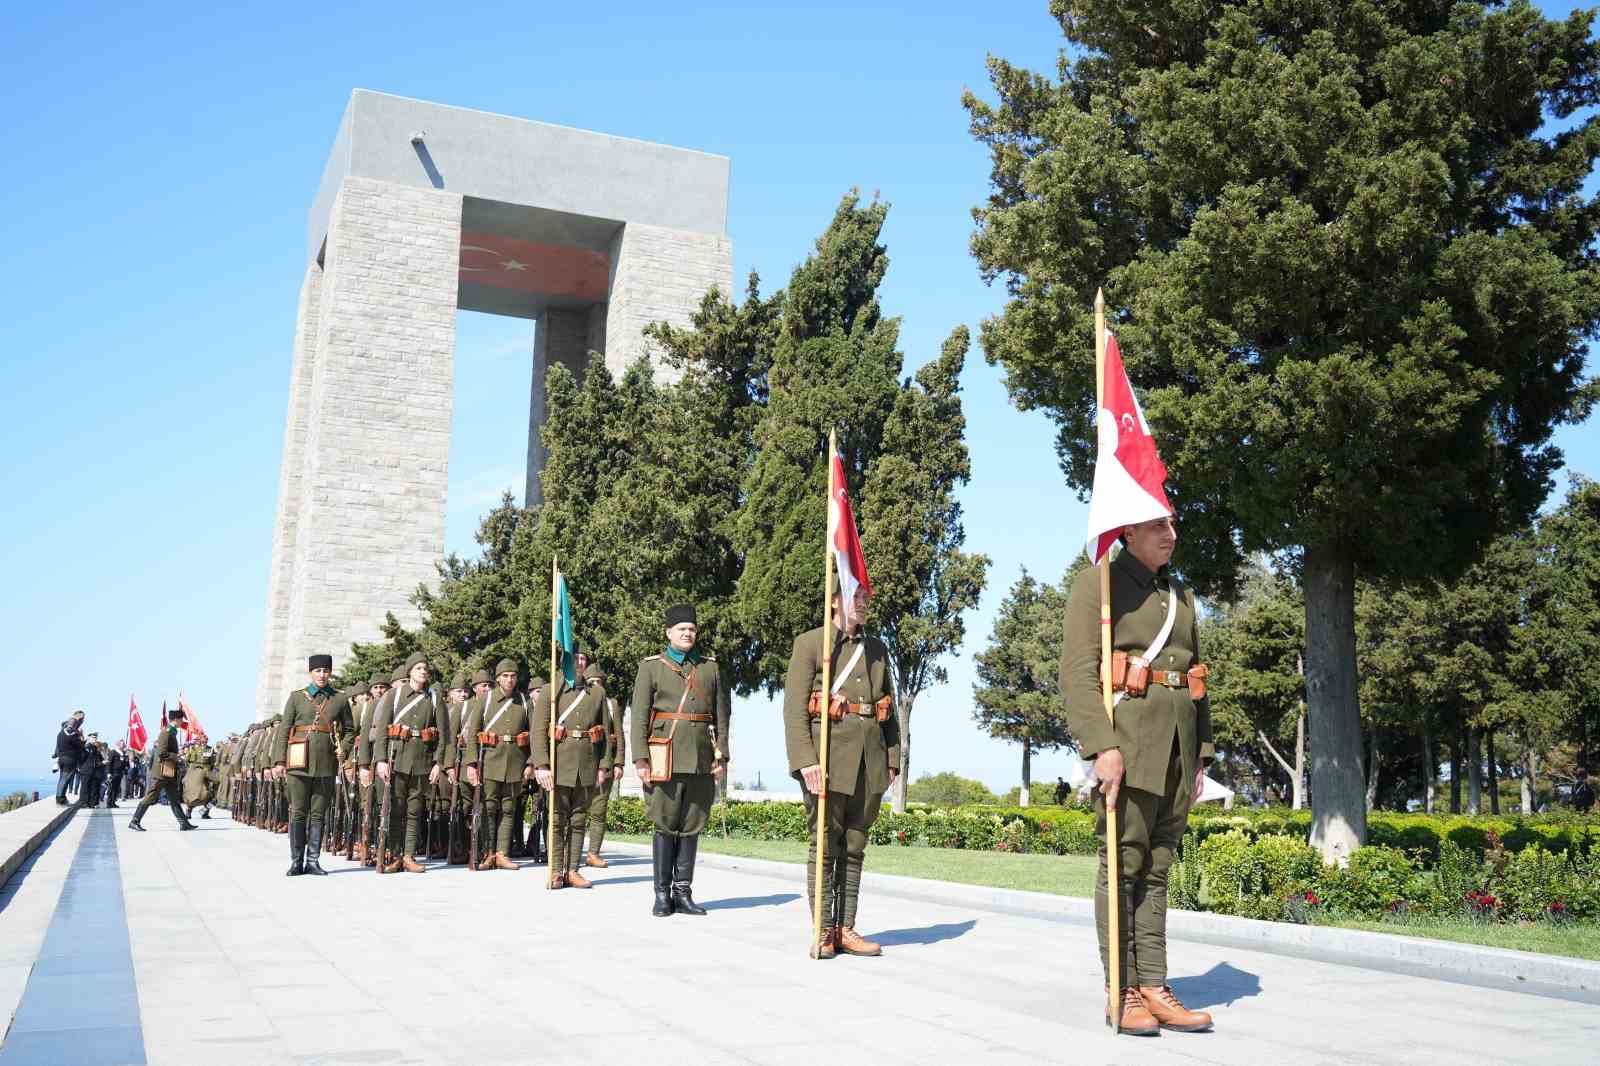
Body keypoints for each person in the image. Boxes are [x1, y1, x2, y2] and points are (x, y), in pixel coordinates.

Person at [1062, 515, 1215, 1036]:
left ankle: (1154, 984)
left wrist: (1202, 755)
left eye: (1174, 524)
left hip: (1177, 751)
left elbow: (1197, 679)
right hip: (1127, 747)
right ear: (1127, 532)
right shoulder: (1098, 585)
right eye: (1157, 526)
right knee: (1123, 866)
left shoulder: (1183, 595)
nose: (1171, 533)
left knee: (1158, 870)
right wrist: (1101, 745)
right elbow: (1078, 675)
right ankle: (1121, 991)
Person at [783, 585, 899, 959]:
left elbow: (888, 707)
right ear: (834, 599)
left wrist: (893, 758)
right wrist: (806, 760)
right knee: (824, 842)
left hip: (871, 759)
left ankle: (845, 928)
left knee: (854, 844)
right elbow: (795, 710)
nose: (863, 604)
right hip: (827, 760)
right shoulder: (811, 643)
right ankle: (821, 932)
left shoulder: (877, 649)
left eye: (867, 598)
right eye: (855, 596)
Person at [630, 604, 730, 916]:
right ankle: (661, 894)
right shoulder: (651, 668)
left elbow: (723, 716)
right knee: (665, 824)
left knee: (691, 825)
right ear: (668, 633)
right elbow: (639, 717)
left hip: (701, 757)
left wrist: (721, 755)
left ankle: (683, 892)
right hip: (664, 756)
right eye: (681, 629)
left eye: (692, 629)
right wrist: (640, 758)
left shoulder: (709, 668)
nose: (687, 633)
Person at [272, 654, 363, 876]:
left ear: (330, 673)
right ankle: (296, 861)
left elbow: (350, 730)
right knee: (298, 813)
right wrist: (279, 761)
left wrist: (344, 748)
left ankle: (313, 861)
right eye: (318, 671)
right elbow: (284, 729)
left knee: (318, 814)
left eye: (326, 670)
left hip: (325, 762)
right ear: (310, 673)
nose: (322, 674)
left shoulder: (339, 699)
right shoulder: (296, 698)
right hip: (298, 762)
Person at [360, 651, 444, 873]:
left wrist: (438, 763)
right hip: (395, 759)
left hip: (422, 761)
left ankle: (408, 855)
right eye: (418, 668)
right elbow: (381, 734)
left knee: (415, 810)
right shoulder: (394, 696)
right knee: (395, 809)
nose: (423, 672)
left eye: (425, 668)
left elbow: (443, 736)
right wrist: (379, 760)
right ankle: (394, 854)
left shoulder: (435, 698)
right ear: (410, 672)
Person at [534, 662, 611, 888]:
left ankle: (573, 870)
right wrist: (542, 764)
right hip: (558, 764)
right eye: (574, 656)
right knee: (556, 819)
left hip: (586, 763)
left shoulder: (597, 693)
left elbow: (604, 732)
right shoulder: (551, 690)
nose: (579, 662)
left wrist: (603, 765)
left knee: (578, 820)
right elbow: (539, 730)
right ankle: (556, 871)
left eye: (582, 658)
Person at [463, 659, 532, 872]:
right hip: (490, 760)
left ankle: (502, 853)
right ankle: (488, 852)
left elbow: (534, 734)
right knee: (489, 807)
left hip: (515, 761)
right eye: (505, 676)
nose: (509, 680)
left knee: (509, 808)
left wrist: (530, 763)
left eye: (513, 676)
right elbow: (473, 732)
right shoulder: (486, 699)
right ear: (498, 678)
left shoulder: (524, 700)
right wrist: (471, 764)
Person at [129, 707, 196, 831]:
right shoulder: (166, 732)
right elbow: (161, 753)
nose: (183, 722)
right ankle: (135, 821)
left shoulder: (172, 732)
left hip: (169, 771)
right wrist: (178, 756)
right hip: (161, 772)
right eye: (182, 720)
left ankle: (184, 823)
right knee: (151, 796)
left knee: (174, 798)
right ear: (176, 719)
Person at [585, 662, 624, 869]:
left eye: (599, 682)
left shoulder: (611, 704)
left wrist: (619, 763)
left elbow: (619, 734)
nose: (596, 686)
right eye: (591, 682)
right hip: (582, 762)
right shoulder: (580, 701)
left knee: (599, 811)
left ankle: (593, 853)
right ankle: (569, 853)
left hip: (606, 762)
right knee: (577, 811)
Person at [54, 711, 86, 805]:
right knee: (66, 779)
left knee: (62, 778)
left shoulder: (60, 734)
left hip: (62, 758)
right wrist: (82, 739)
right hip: (70, 759)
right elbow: (80, 745)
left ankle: (60, 796)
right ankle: (60, 798)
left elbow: (58, 746)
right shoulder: (73, 734)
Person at [79, 734, 107, 808]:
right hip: (86, 770)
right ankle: (84, 803)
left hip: (93, 771)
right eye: (93, 737)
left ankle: (91, 803)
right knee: (85, 787)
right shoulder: (87, 747)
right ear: (89, 738)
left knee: (92, 787)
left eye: (95, 737)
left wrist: (101, 762)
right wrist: (81, 767)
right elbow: (82, 758)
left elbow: (98, 759)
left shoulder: (95, 748)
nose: (95, 739)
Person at [107, 741, 127, 809]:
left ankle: (113, 802)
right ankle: (109, 803)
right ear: (118, 745)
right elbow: (110, 763)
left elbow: (124, 763)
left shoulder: (123, 753)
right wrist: (109, 773)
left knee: (116, 788)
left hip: (120, 772)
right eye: (122, 744)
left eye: (124, 744)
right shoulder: (113, 752)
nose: (124, 745)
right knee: (111, 788)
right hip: (113, 772)